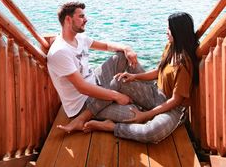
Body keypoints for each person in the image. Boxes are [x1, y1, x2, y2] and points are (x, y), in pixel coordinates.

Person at [83, 12, 199, 143]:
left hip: (172, 109)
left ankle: (111, 127)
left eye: (169, 29)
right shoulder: (171, 47)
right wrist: (134, 76)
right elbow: (159, 71)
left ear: (178, 31)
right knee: (120, 79)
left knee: (152, 133)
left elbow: (175, 101)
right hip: (155, 93)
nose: (166, 32)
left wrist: (145, 115)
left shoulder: (184, 64)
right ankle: (89, 111)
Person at [47, 1, 139, 132]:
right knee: (133, 114)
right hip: (82, 104)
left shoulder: (79, 37)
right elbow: (83, 88)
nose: (86, 19)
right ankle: (91, 120)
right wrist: (116, 96)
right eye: (81, 16)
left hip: (95, 80)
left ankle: (150, 88)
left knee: (122, 56)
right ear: (68, 19)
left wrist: (126, 48)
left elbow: (106, 46)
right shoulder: (60, 51)